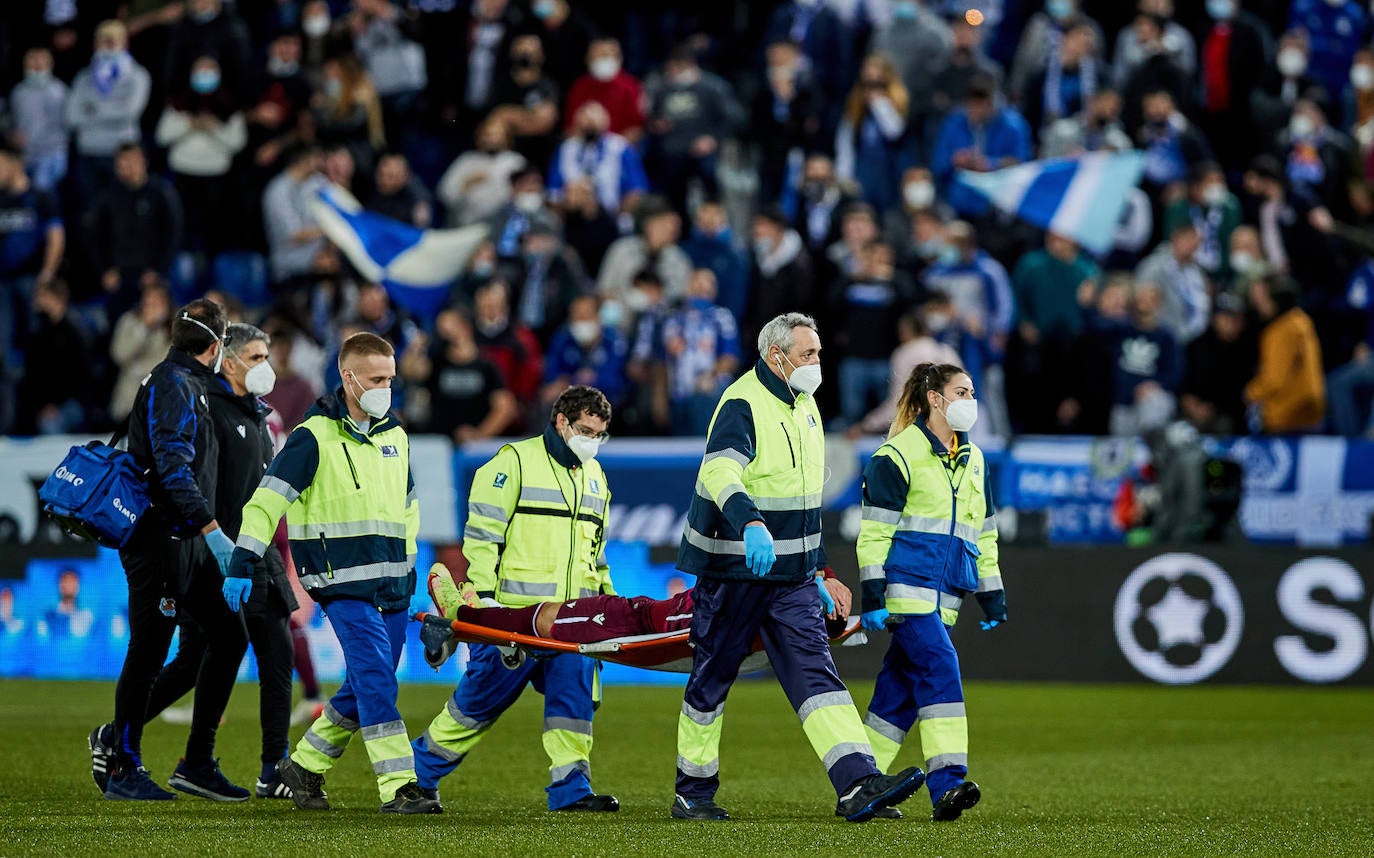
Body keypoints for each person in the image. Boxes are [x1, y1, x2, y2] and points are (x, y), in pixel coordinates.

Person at [671, 313, 926, 824]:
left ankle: (857, 783)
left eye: (818, 353)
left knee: (816, 674)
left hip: (790, 575)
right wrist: (750, 524)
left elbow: (806, 504)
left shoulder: (804, 404)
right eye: (808, 354)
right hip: (734, 569)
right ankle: (692, 791)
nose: (817, 363)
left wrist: (822, 571)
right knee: (713, 679)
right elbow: (719, 469)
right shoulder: (742, 403)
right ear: (776, 356)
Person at [224, 331, 436, 814]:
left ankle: (303, 767)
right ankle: (401, 786)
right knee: (379, 681)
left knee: (364, 683)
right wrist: (243, 560)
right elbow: (264, 504)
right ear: (348, 376)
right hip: (342, 584)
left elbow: (408, 512)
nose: (387, 386)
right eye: (377, 378)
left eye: (391, 378)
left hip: (394, 586)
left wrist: (410, 575)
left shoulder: (396, 437)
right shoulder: (311, 438)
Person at [411, 386, 621, 813]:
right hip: (513, 621)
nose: (592, 442)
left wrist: (608, 606)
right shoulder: (514, 464)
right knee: (475, 709)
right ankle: (416, 777)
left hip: (571, 623)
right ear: (561, 421)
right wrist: (484, 601)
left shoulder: (596, 478)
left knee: (573, 709)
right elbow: (483, 539)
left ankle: (571, 792)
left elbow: (595, 556)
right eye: (585, 431)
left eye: (600, 435)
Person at [87, 299, 247, 802]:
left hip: (181, 539)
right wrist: (212, 529)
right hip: (161, 539)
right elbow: (173, 469)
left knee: (222, 636)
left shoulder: (182, 382)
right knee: (150, 649)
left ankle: (192, 760)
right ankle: (122, 766)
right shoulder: (176, 386)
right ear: (217, 345)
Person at [136, 323, 299, 799]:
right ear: (227, 361)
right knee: (194, 660)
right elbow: (209, 485)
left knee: (276, 652)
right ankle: (122, 733)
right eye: (255, 356)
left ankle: (271, 768)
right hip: (221, 552)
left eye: (267, 354)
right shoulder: (209, 411)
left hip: (254, 549)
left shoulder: (254, 412)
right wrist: (218, 544)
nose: (265, 365)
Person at [856, 361, 1004, 823]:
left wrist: (991, 591)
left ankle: (862, 784)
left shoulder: (974, 458)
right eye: (962, 392)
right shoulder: (895, 457)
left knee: (897, 695)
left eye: (972, 391)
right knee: (940, 666)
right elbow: (873, 536)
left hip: (948, 600)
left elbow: (985, 533)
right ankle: (948, 784)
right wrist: (875, 598)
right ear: (934, 399)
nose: (970, 401)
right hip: (906, 593)